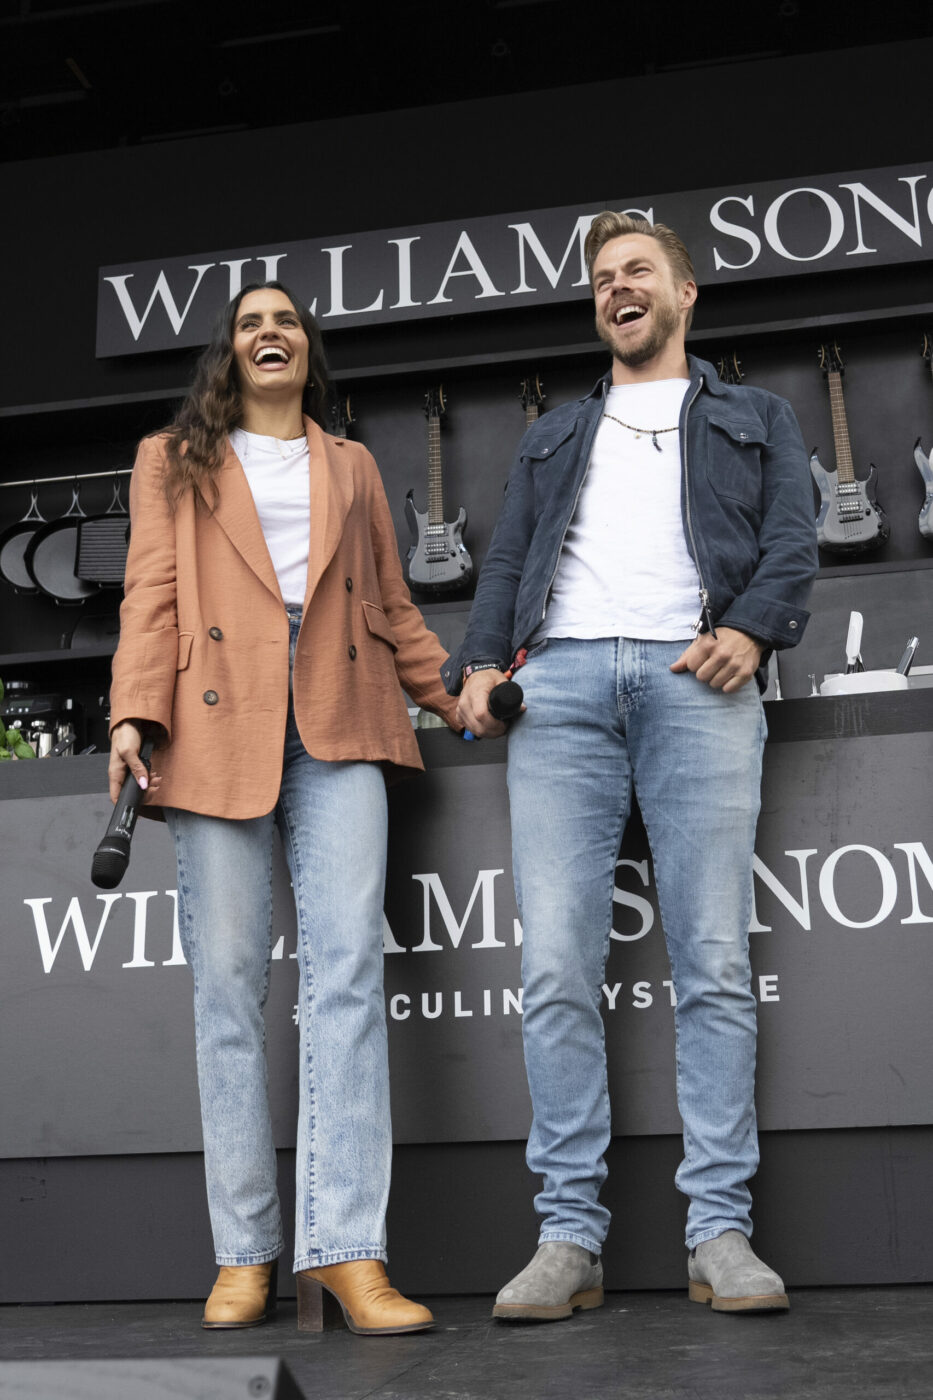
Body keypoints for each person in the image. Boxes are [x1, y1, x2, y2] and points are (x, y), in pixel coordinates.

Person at [448, 213, 818, 1319]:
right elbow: (510, 553)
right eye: (603, 279)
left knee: (709, 960)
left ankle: (718, 1230)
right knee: (556, 967)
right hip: (557, 687)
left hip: (696, 675)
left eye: (638, 273)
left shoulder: (757, 415)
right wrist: (475, 662)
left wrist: (752, 628)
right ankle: (568, 1235)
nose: (619, 290)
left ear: (685, 293)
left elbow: (795, 540)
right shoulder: (557, 432)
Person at [108, 280, 461, 1336]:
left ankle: (348, 1250)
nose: (271, 332)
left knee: (347, 971)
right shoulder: (171, 457)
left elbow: (392, 605)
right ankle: (246, 1252)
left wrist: (454, 691)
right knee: (228, 989)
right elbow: (151, 593)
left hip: (340, 713)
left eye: (289, 321)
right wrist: (132, 712)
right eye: (252, 322)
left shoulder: (348, 463)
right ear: (230, 352)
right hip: (218, 720)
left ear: (309, 351)